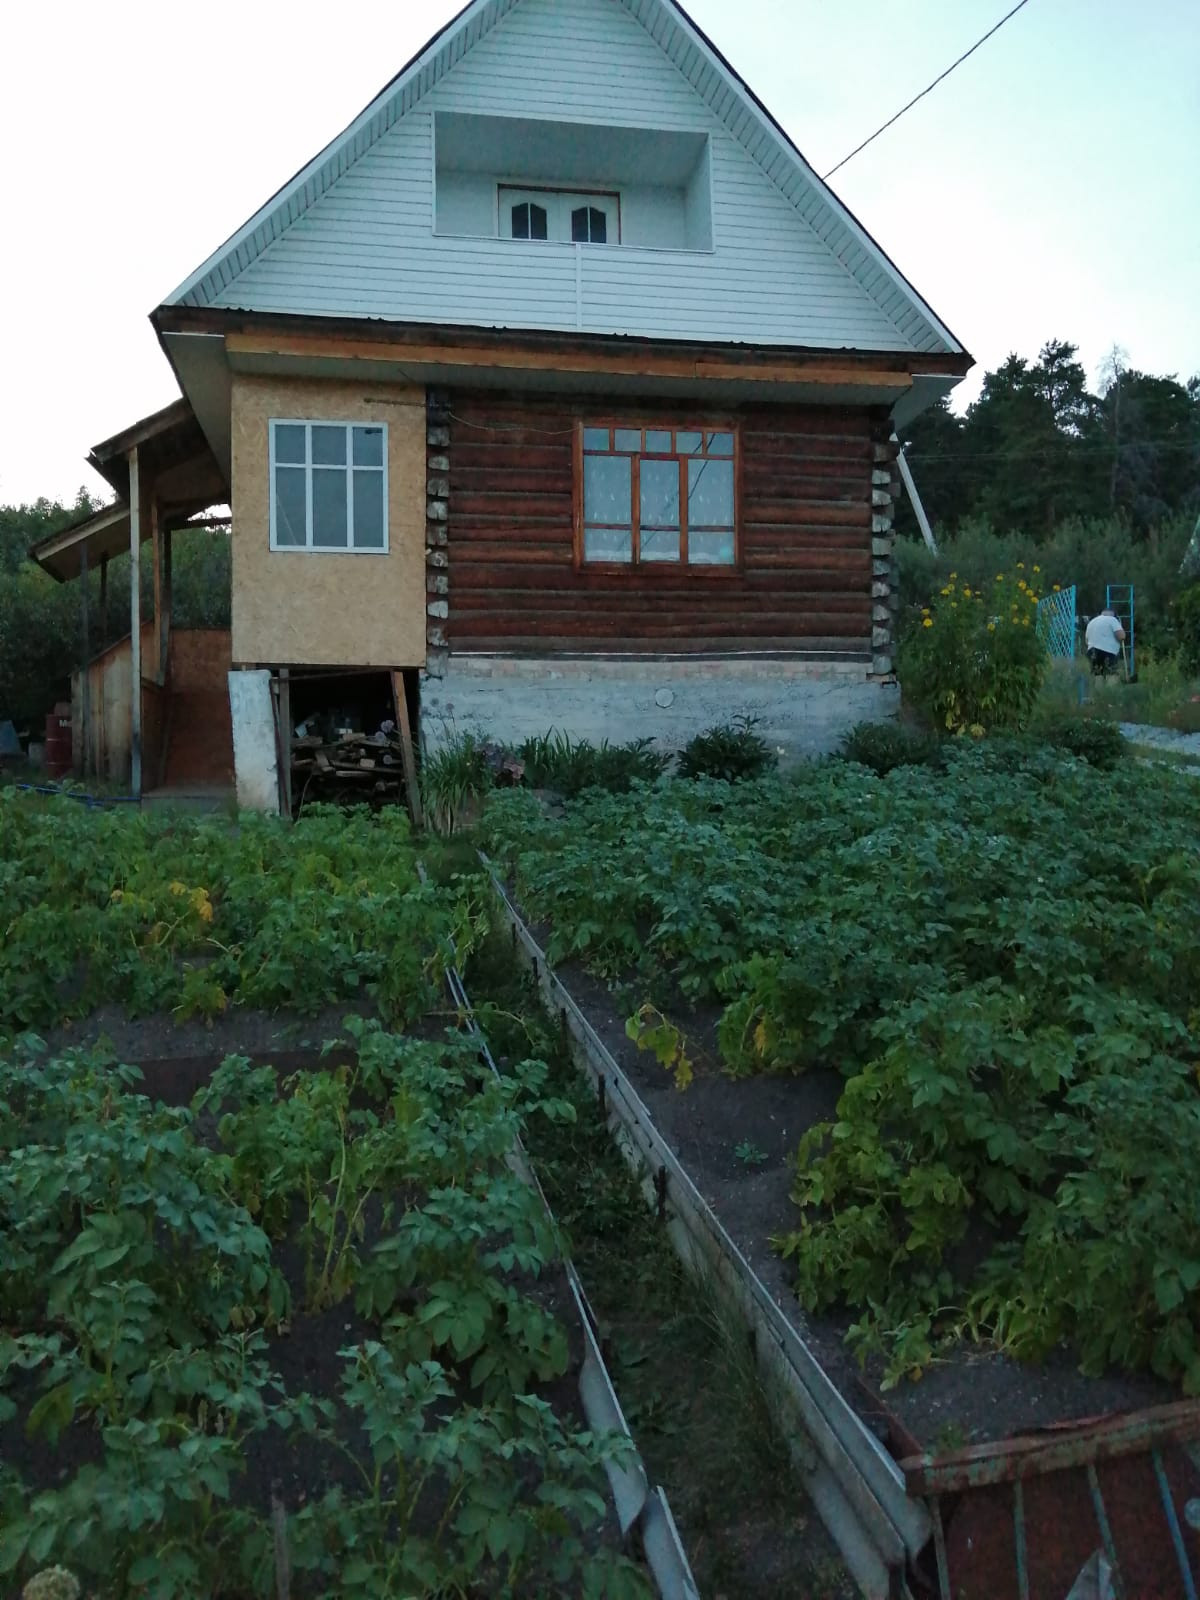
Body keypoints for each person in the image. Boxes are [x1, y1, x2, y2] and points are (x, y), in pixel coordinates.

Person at [1085, 606, 1126, 675]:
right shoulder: (1112, 619)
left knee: (1097, 674)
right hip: (1108, 651)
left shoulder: (1092, 622)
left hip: (1091, 651)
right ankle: (1111, 686)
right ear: (1113, 614)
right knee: (1111, 674)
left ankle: (1099, 686)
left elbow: (1086, 641)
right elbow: (1121, 636)